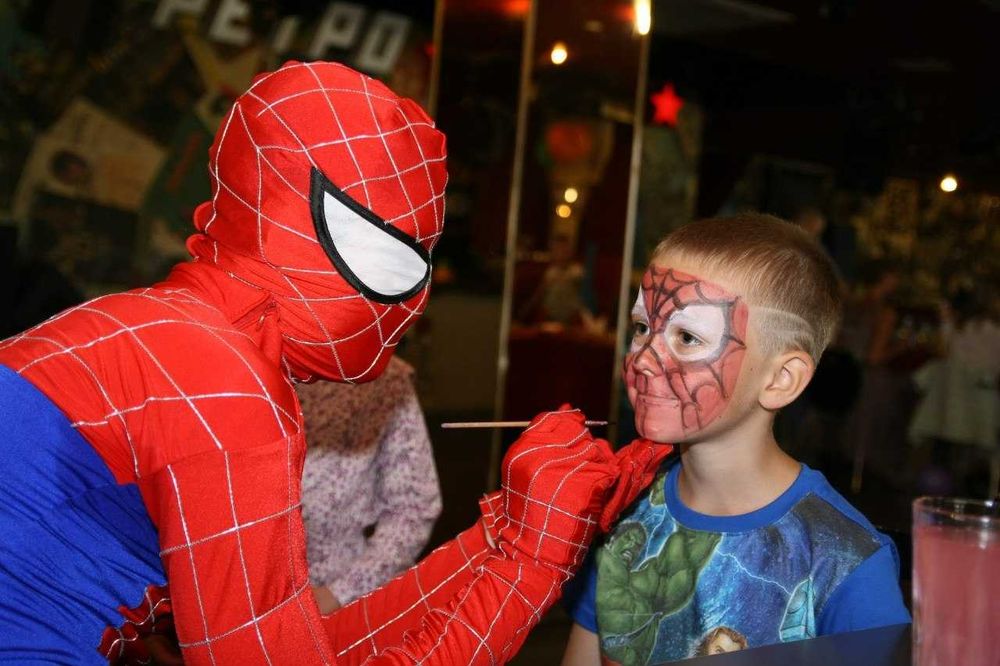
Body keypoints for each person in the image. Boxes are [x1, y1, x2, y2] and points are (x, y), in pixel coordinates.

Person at [0, 61, 670, 664]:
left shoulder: (159, 327)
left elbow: (309, 643)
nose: (413, 305)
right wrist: (531, 558)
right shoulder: (221, 384)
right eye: (393, 259)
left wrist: (501, 536)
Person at [562, 214, 910, 666]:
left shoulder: (845, 565)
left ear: (781, 379)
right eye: (643, 328)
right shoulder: (623, 513)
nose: (645, 359)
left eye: (687, 337)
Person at [298, 356, 442, 614]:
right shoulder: (238, 366)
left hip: (336, 604)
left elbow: (413, 508)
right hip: (233, 603)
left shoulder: (384, 380)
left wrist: (340, 593)